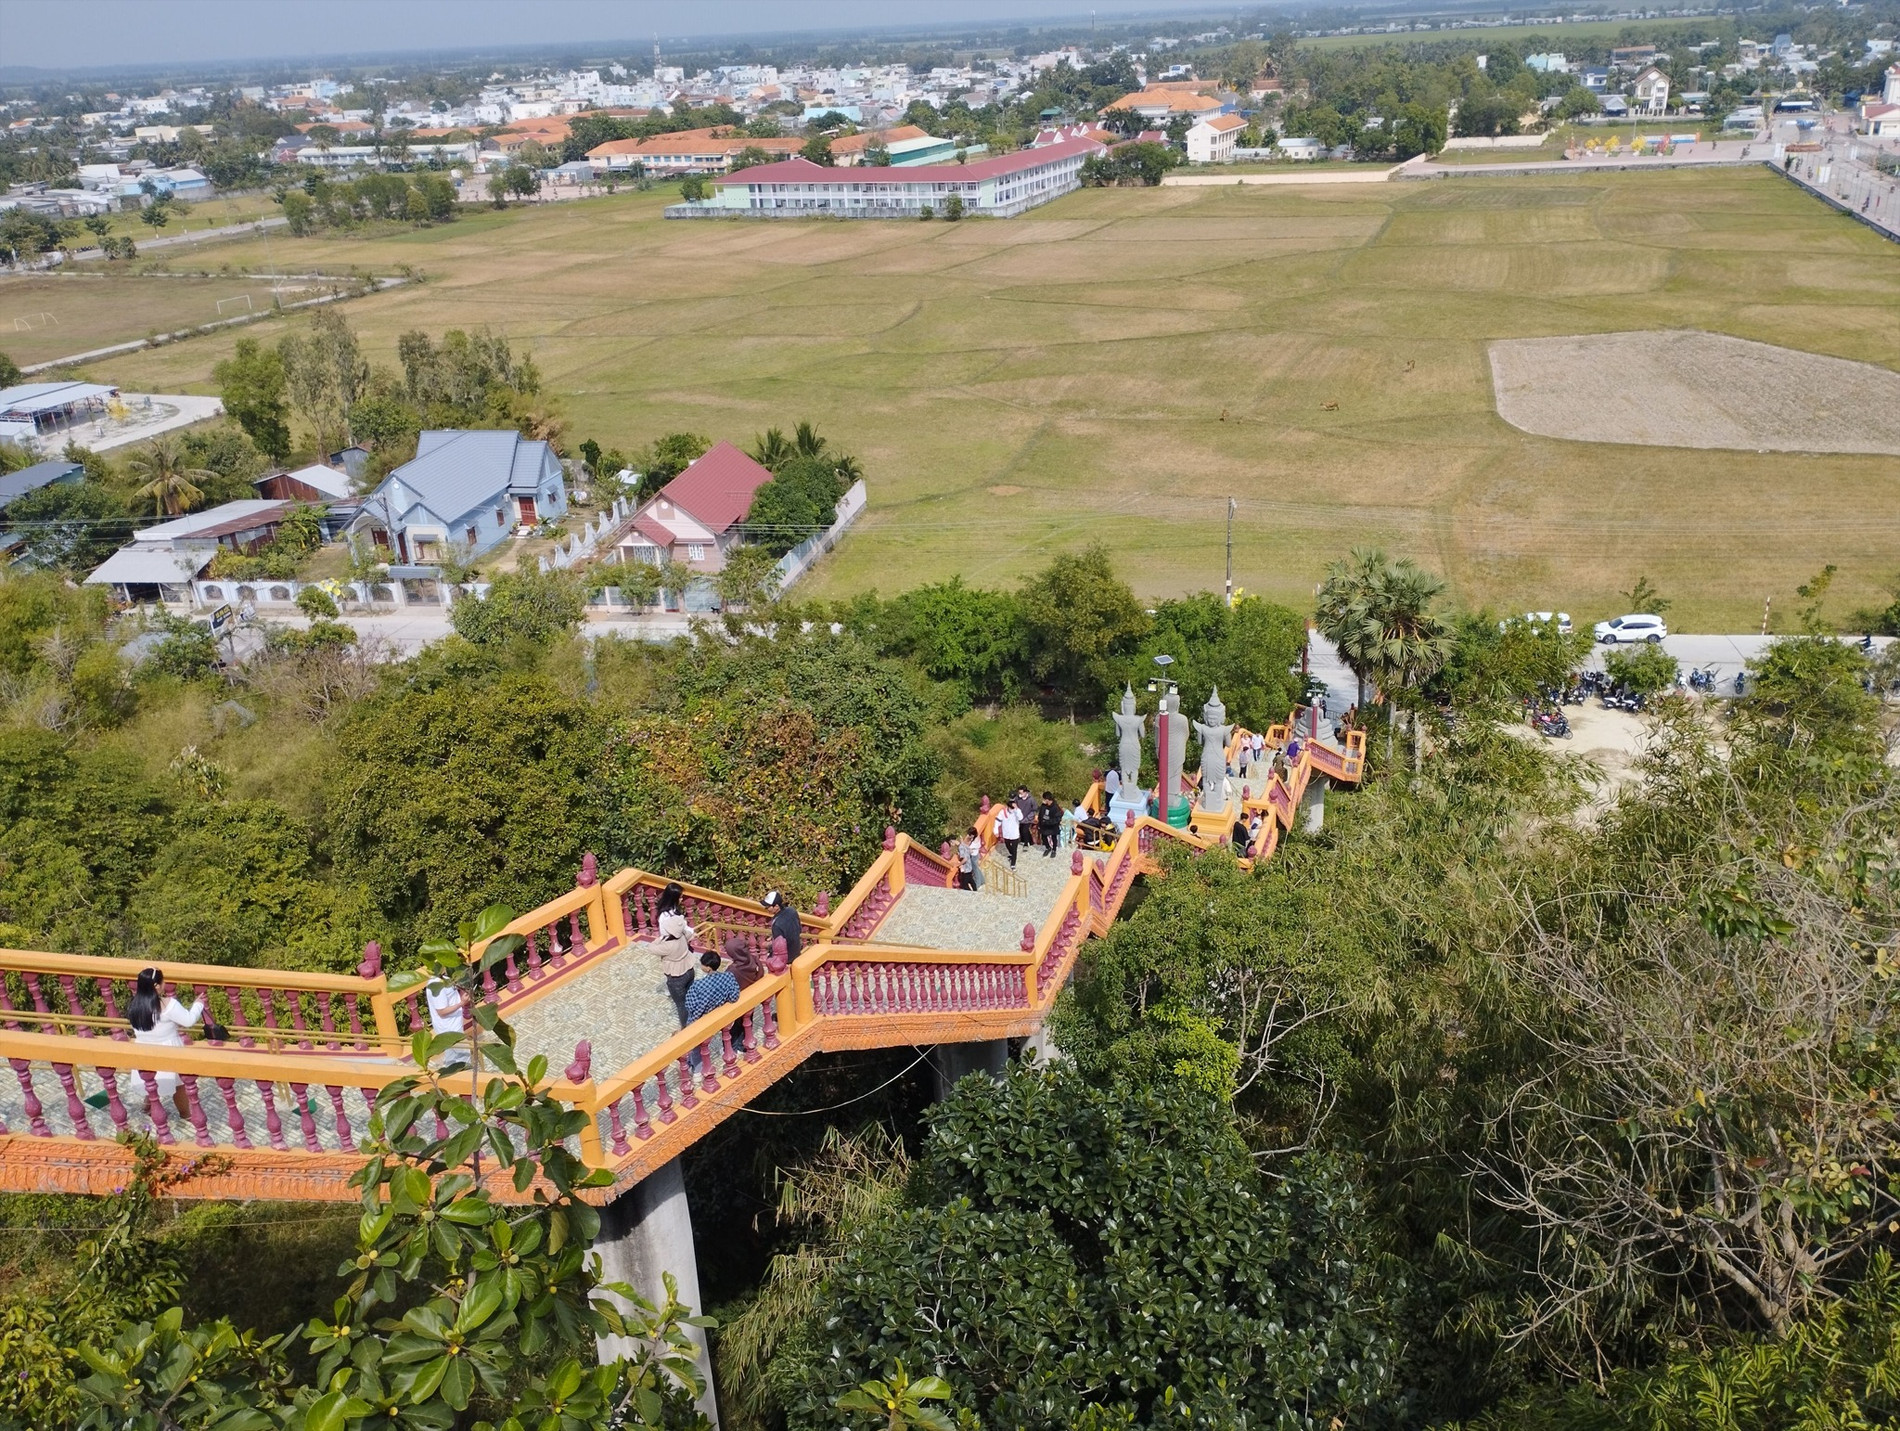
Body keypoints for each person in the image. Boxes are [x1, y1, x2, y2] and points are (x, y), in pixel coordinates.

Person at [128, 967, 203, 1119]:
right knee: (179, 1084)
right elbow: (188, 1021)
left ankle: (148, 1106)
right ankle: (185, 1113)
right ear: (156, 986)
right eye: (162, 981)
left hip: (144, 1048)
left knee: (150, 1080)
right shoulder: (168, 1004)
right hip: (169, 1049)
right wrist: (198, 1005)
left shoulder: (134, 1006)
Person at [652, 881, 699, 1027]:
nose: (682, 899)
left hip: (679, 952)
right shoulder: (665, 917)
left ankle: (689, 1023)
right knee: (682, 1002)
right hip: (676, 950)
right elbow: (669, 933)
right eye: (680, 897)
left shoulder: (672, 912)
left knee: (685, 998)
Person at [683, 948, 740, 1026]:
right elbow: (734, 997)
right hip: (721, 1014)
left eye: (702, 964)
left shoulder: (698, 985)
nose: (701, 965)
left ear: (708, 968)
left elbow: (690, 1006)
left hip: (703, 1019)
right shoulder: (728, 976)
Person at [426, 974, 470, 1070]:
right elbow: (441, 1011)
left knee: (452, 1057)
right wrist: (462, 1003)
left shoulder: (445, 978)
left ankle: (452, 1075)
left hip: (453, 1025)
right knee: (464, 1055)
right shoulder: (437, 986)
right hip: (449, 1028)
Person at [763, 890, 801, 963]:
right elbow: (798, 929)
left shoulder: (776, 924)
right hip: (796, 953)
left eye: (768, 907)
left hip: (785, 959)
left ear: (776, 906)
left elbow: (779, 946)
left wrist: (767, 945)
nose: (766, 909)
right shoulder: (792, 911)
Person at [994, 797, 1023, 868]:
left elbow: (1021, 818)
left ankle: (1013, 863)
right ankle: (1012, 855)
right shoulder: (1003, 812)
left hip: (1014, 834)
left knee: (1014, 849)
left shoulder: (1017, 811)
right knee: (1007, 845)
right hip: (1006, 833)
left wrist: (1016, 809)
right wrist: (996, 830)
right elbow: (997, 821)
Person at [1036, 790, 1062, 858]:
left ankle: (1054, 849)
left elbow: (1058, 818)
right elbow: (1040, 814)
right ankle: (1048, 847)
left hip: (1052, 825)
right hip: (1044, 825)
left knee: (1054, 837)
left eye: (1044, 799)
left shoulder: (1055, 807)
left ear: (1047, 799)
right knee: (1043, 837)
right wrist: (1040, 822)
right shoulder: (1043, 806)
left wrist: (1049, 822)